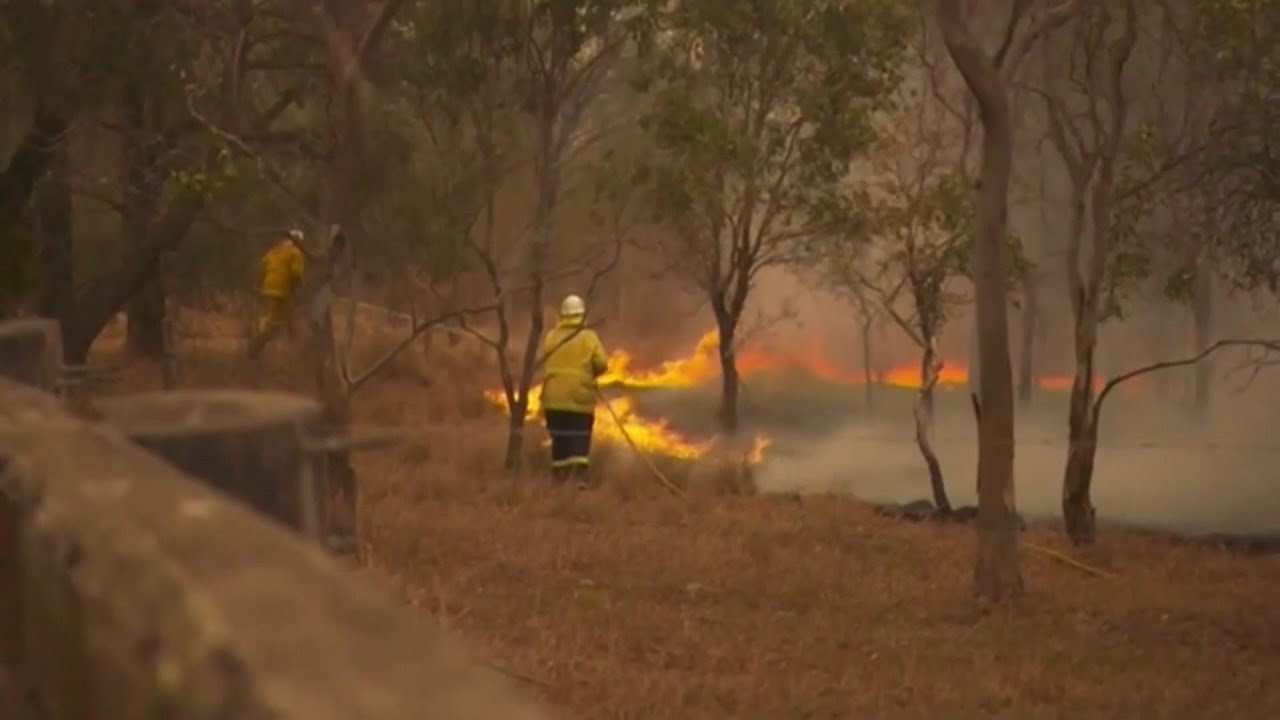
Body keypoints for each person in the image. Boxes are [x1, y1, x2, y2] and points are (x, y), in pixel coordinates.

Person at [540, 294, 608, 484]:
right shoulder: (588, 336)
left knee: (559, 442)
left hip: (553, 399)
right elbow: (602, 363)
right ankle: (578, 484)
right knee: (578, 441)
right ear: (582, 314)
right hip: (579, 399)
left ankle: (559, 483)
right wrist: (591, 373)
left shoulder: (551, 336)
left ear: (563, 315)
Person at [248, 228, 306, 358]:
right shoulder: (296, 253)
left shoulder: (274, 251)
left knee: (276, 316)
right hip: (282, 290)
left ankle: (266, 338)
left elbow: (261, 266)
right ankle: (258, 342)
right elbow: (296, 274)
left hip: (268, 287)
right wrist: (298, 290)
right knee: (276, 319)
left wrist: (256, 284)